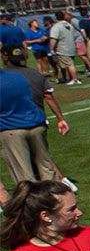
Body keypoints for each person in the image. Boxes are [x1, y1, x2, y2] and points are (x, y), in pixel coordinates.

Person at [0, 45, 67, 188]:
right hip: (36, 123)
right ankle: (57, 201)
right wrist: (60, 118)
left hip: (12, 128)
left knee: (25, 176)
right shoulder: (24, 76)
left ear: (4, 57)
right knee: (46, 168)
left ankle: (34, 206)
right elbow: (46, 97)